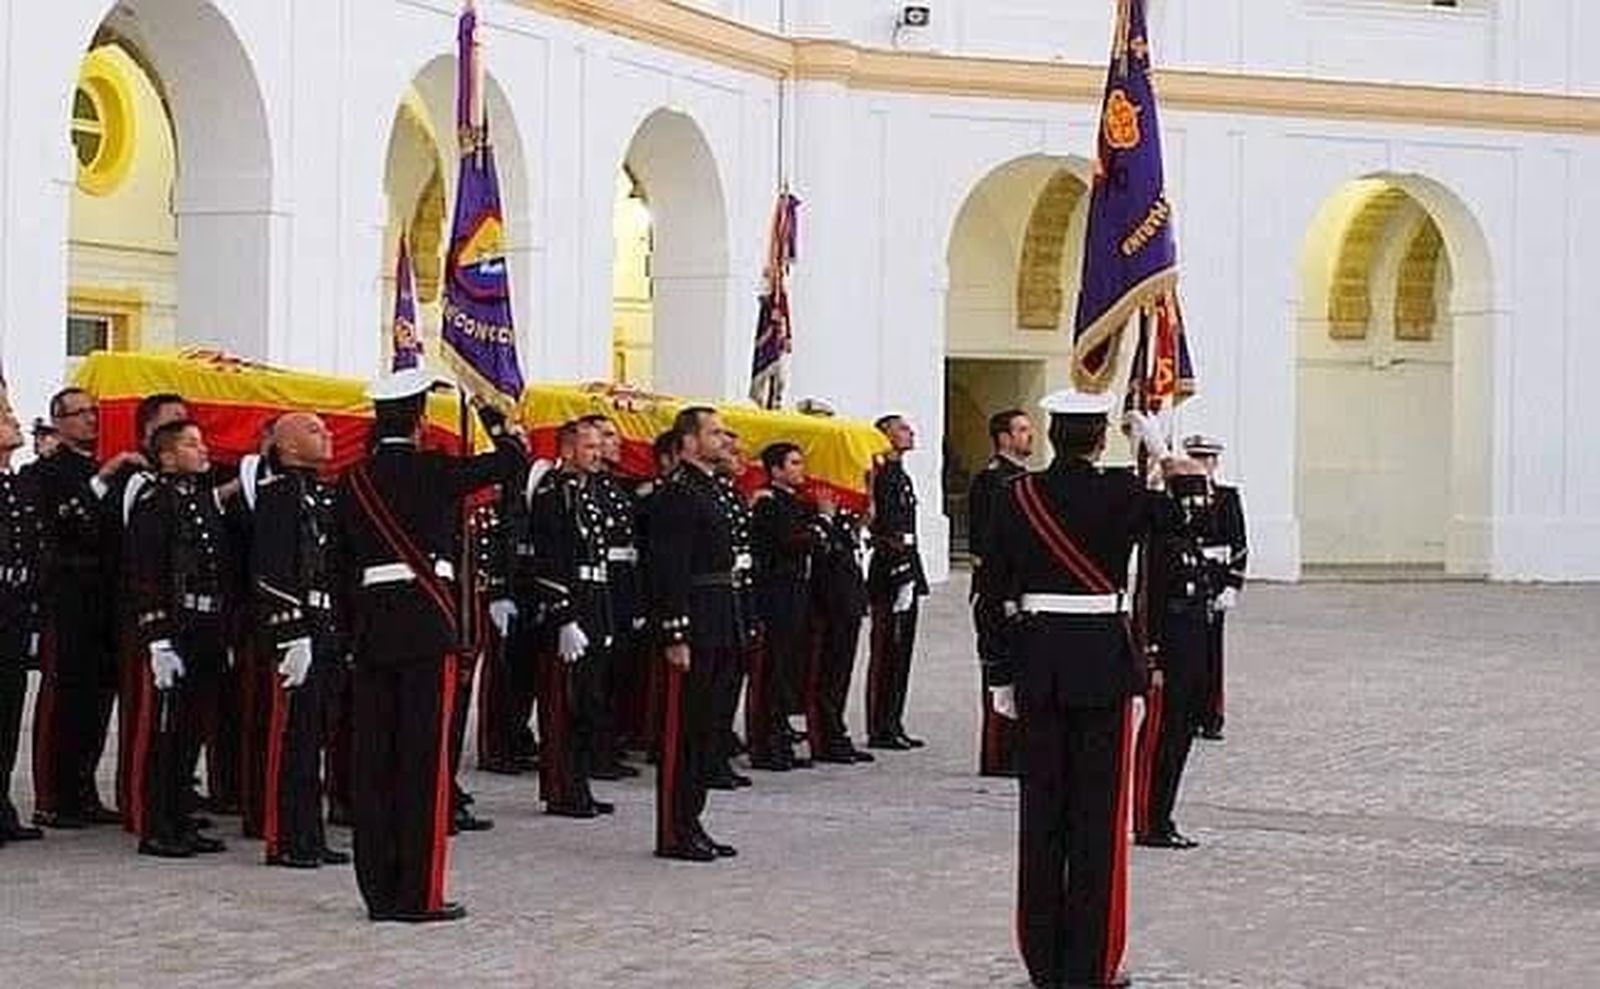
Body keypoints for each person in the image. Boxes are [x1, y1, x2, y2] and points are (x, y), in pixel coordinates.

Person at [985, 391, 1178, 989]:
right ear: (1100, 439)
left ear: (1049, 435)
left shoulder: (1016, 495)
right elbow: (1179, 522)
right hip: (1102, 664)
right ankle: (1090, 963)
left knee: (1041, 818)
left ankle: (1043, 960)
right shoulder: (1124, 493)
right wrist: (1160, 455)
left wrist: (998, 672)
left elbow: (990, 590)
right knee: (1097, 822)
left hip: (1038, 662)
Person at [335, 369, 523, 923]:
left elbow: (341, 564)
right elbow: (512, 460)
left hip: (371, 630)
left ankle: (378, 891)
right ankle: (417, 894)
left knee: (373, 762)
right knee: (422, 764)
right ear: (420, 422)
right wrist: (493, 416)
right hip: (425, 626)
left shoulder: (353, 480)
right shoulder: (435, 470)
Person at [26, 387, 143, 829]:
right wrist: (106, 476)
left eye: (95, 412)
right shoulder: (45, 472)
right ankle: (52, 797)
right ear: (59, 421)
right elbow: (64, 520)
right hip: (67, 598)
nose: (92, 420)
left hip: (103, 598)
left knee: (97, 700)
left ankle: (82, 789)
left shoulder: (102, 470)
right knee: (64, 697)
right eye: (81, 414)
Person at [124, 420, 232, 858]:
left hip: (204, 626)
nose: (203, 450)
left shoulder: (200, 501)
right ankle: (156, 826)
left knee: (191, 729)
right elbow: (144, 572)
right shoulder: (156, 503)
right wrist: (156, 637)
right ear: (166, 456)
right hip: (175, 628)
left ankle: (180, 816)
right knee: (165, 731)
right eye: (191, 444)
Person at [250, 412, 350, 868]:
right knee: (291, 738)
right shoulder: (279, 495)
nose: (327, 434)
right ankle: (284, 837)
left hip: (325, 625)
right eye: (313, 430)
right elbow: (271, 569)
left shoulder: (321, 494)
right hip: (297, 630)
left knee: (315, 737)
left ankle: (309, 834)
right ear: (286, 446)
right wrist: (290, 632)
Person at [648, 406, 741, 862]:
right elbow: (671, 568)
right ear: (687, 441)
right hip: (695, 622)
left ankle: (694, 819)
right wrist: (675, 632)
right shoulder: (678, 493)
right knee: (684, 732)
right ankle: (674, 828)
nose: (724, 440)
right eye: (715, 433)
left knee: (707, 730)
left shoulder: (713, 488)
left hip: (721, 618)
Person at [1133, 458, 1224, 852]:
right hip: (1169, 658)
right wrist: (1152, 659)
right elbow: (1148, 604)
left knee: (1180, 737)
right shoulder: (1161, 545)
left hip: (1192, 655)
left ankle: (1163, 815)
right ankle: (1150, 818)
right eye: (1198, 489)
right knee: (1161, 741)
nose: (1205, 499)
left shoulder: (1188, 541)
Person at [527, 419, 616, 818]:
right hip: (570, 604)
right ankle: (562, 788)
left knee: (589, 701)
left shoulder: (588, 491)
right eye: (589, 447)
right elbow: (549, 557)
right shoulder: (553, 492)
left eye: (599, 446)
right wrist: (563, 615)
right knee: (565, 703)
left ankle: (579, 783)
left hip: (594, 601)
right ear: (566, 451)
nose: (596, 453)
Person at [749, 442, 828, 770]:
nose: (800, 469)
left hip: (795, 593)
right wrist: (822, 521)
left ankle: (780, 736)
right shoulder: (769, 503)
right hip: (776, 594)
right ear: (775, 470)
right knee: (772, 671)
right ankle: (766, 744)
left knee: (787, 670)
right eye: (793, 463)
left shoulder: (792, 502)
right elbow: (792, 542)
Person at [968, 409, 1033, 777]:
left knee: (1020, 672)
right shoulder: (992, 481)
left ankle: (1017, 749)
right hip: (997, 592)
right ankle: (997, 756)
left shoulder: (1023, 479)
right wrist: (1007, 592)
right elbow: (989, 545)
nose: (1029, 436)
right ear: (1004, 437)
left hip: (1020, 590)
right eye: (1022, 430)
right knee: (999, 672)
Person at [582, 414, 645, 779]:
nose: (615, 443)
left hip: (621, 585)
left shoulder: (615, 486)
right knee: (597, 676)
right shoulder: (586, 488)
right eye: (606, 436)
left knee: (618, 671)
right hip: (600, 584)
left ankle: (609, 743)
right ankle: (595, 751)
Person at [865, 414, 928, 750]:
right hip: (890, 569)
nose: (910, 432)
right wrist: (899, 564)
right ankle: (880, 725)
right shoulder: (881, 475)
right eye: (902, 428)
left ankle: (894, 720)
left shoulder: (900, 476)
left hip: (907, 566)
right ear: (885, 436)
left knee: (902, 650)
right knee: (887, 649)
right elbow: (882, 526)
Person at [0, 399, 45, 844]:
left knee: (10, 710)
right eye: (4, 417)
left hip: (14, 606)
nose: (14, 421)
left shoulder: (18, 486)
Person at [1182, 435, 1246, 741]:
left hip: (1215, 579)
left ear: (1214, 463)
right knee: (1187, 652)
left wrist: (1233, 584)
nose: (1201, 465)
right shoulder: (1177, 495)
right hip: (1188, 580)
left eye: (1206, 459)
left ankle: (1211, 715)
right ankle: (1189, 712)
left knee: (1211, 651)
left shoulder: (1227, 496)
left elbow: (1239, 545)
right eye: (1196, 458)